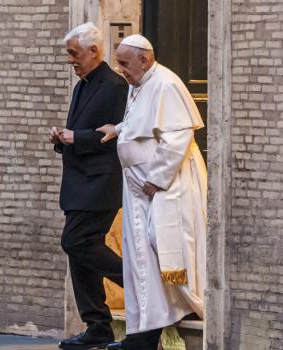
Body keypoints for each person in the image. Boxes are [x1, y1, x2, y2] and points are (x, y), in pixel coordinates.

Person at [96, 34, 207, 350]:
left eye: (125, 63)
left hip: (168, 189)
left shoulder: (166, 84)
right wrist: (118, 129)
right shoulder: (139, 83)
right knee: (139, 263)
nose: (120, 70)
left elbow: (178, 134)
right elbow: (146, 124)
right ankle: (141, 335)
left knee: (161, 253)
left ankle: (167, 324)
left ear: (144, 59)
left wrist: (158, 177)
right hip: (140, 192)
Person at [49, 22, 128, 350]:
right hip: (79, 183)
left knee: (75, 242)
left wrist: (75, 137)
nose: (70, 60)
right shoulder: (82, 85)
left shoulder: (115, 86)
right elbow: (81, 131)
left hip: (100, 184)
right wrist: (62, 138)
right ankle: (97, 326)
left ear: (94, 51)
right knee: (79, 253)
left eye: (74, 53)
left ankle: (138, 284)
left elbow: (119, 135)